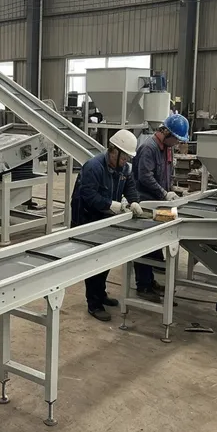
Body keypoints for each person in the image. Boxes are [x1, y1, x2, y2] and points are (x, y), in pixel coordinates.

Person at [71, 130, 144, 321]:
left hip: (106, 219)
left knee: (105, 259)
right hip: (87, 219)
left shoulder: (124, 169)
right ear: (113, 151)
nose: (125, 161)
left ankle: (101, 294)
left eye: (128, 157)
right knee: (93, 262)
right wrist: (111, 205)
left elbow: (130, 188)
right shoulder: (93, 167)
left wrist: (134, 202)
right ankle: (94, 304)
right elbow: (88, 195)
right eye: (124, 157)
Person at [132, 113, 189, 302]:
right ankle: (143, 285)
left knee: (155, 242)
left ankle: (149, 281)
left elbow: (165, 173)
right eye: (176, 139)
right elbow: (145, 177)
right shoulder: (149, 148)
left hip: (160, 202)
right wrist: (164, 193)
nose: (177, 143)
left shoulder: (166, 148)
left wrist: (171, 190)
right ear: (166, 133)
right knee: (144, 245)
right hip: (146, 204)